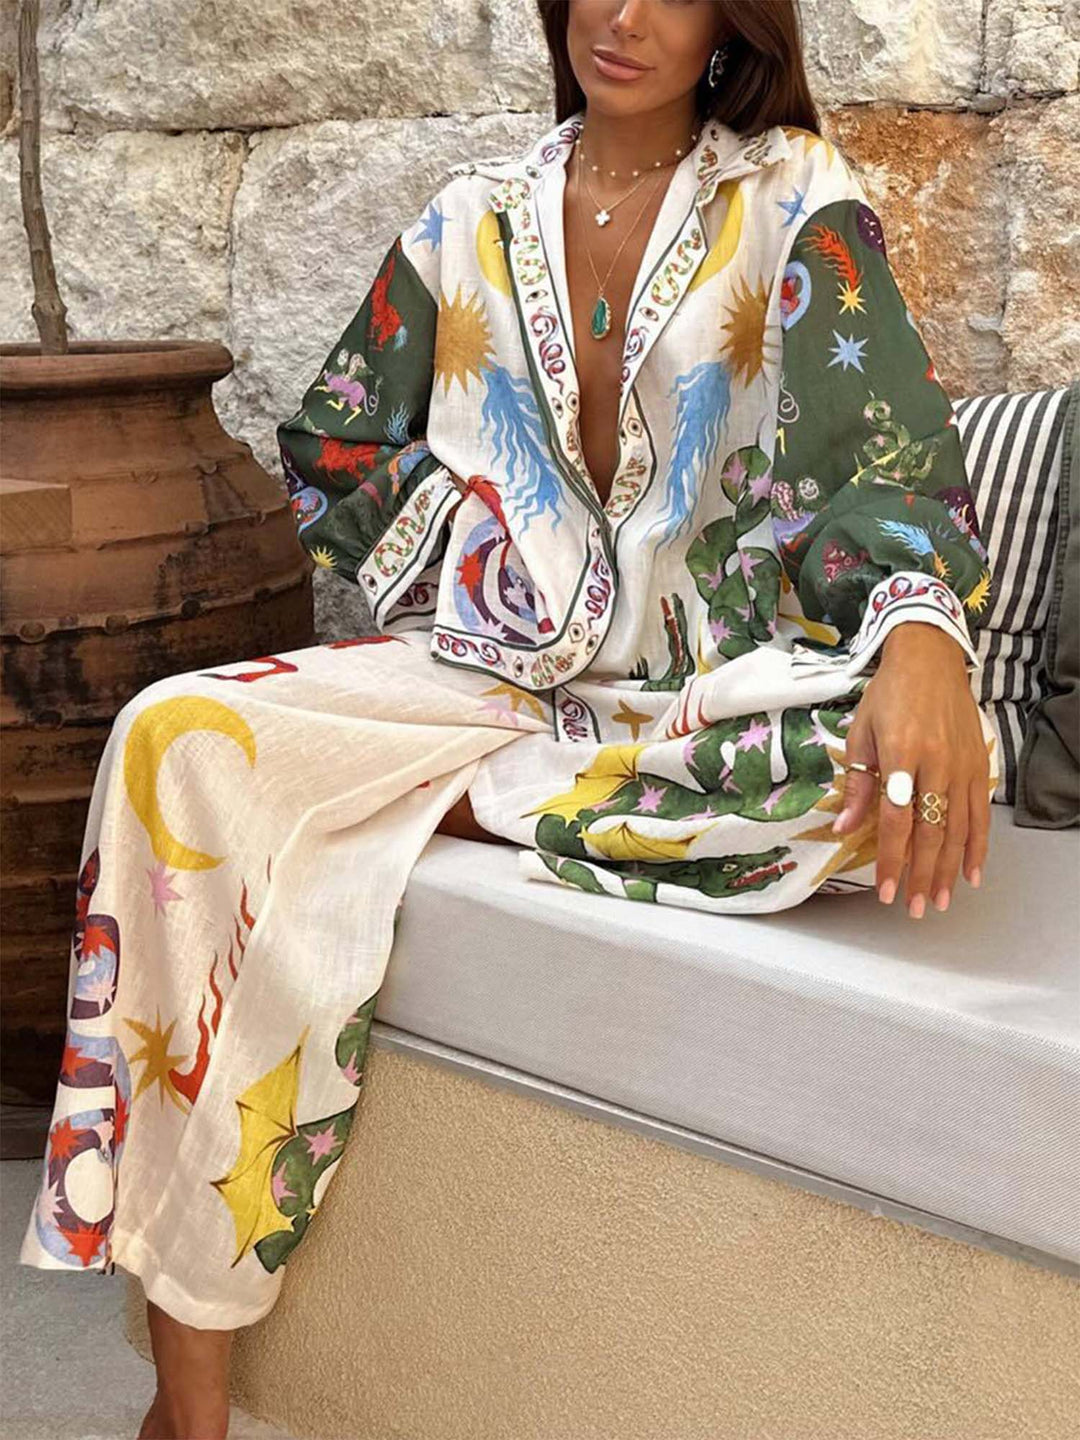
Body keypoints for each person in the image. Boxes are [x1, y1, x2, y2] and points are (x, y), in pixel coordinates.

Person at [20, 2, 999, 1435]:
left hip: (693, 696)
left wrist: (921, 636)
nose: (624, 15)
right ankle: (189, 1408)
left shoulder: (797, 199)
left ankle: (466, 799)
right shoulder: (467, 219)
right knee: (171, 736)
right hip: (481, 677)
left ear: (732, 21)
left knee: (863, 782)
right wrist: (494, 575)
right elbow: (333, 444)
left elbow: (887, 452)